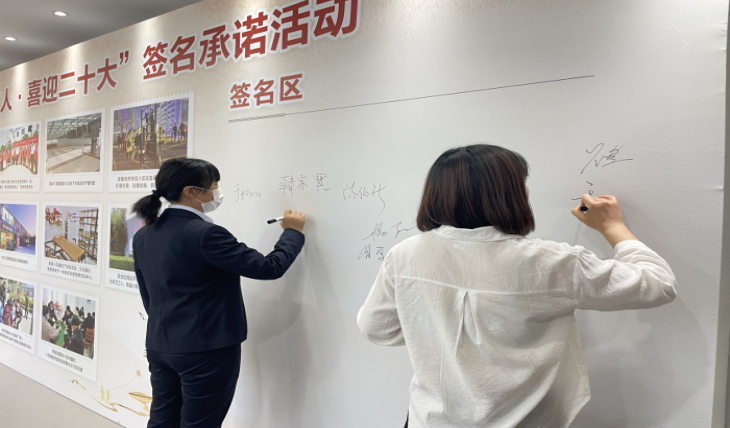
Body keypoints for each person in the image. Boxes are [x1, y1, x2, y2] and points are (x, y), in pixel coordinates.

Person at [357, 144, 677, 428]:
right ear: (510, 194)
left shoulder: (406, 254)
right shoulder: (551, 261)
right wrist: (612, 227)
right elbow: (659, 284)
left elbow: (376, 328)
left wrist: (436, 328)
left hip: (430, 420)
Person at [132, 158, 307, 428]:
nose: (217, 191)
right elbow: (268, 267)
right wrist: (293, 233)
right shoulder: (205, 234)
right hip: (205, 351)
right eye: (214, 185)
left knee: (162, 420)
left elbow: (148, 294)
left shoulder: (144, 234)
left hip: (160, 344)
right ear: (192, 192)